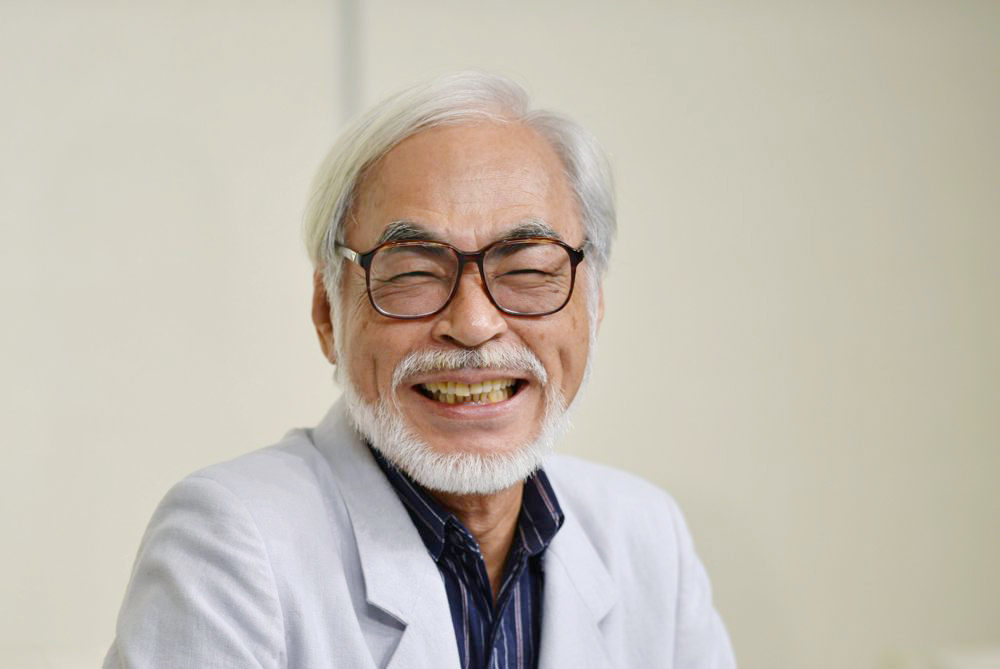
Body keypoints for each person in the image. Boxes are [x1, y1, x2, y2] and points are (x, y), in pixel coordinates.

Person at [104, 72, 736, 669]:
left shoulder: (649, 538)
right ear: (327, 313)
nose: (475, 323)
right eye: (412, 271)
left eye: (527, 269)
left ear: (593, 306)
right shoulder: (228, 543)